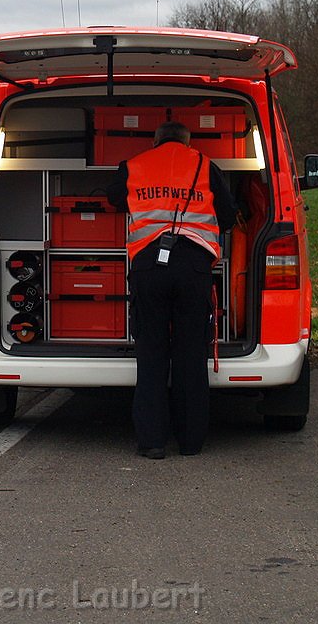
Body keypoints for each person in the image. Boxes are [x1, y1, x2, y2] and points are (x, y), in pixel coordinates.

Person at [107, 121, 237, 458]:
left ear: (156, 140)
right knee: (190, 356)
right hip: (193, 267)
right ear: (187, 142)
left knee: (151, 354)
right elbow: (227, 215)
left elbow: (113, 197)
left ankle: (152, 441)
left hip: (150, 266)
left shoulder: (134, 165)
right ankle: (191, 441)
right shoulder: (206, 166)